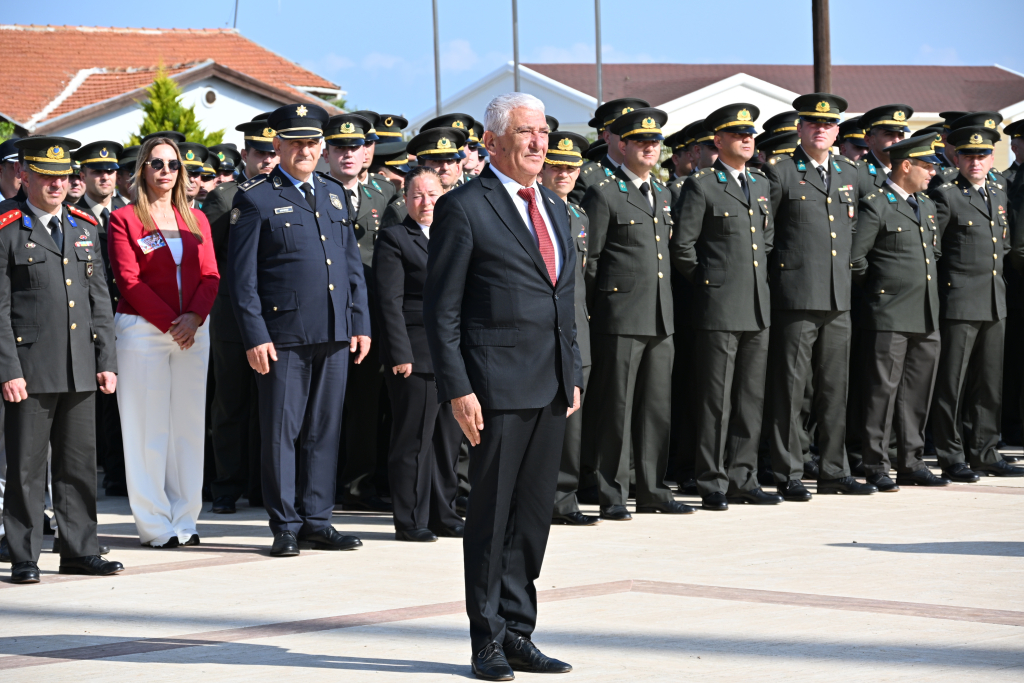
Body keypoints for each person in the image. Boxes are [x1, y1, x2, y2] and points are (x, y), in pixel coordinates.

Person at [424, 92, 579, 680]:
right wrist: (458, 389)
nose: (540, 142)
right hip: (492, 388)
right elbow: (443, 311)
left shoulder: (557, 207)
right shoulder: (465, 207)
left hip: (550, 385)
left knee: (534, 517)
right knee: (490, 518)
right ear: (494, 142)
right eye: (526, 132)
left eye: (543, 131)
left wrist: (574, 372)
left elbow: (565, 298)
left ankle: (519, 631)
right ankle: (485, 638)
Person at [227, 103, 369, 557]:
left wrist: (359, 321)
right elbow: (242, 279)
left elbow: (350, 266)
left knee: (324, 430)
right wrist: (255, 334)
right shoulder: (255, 197)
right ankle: (285, 523)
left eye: (312, 142)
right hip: (282, 335)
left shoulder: (331, 194)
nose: (305, 150)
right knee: (281, 432)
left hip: (333, 330)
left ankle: (317, 519)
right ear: (278, 145)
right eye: (296, 142)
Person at [0, 135, 122, 583]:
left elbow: (99, 302)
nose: (57, 184)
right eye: (47, 176)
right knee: (27, 468)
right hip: (29, 369)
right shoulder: (7, 227)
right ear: (25, 175)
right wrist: (7, 369)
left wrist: (106, 359)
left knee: (78, 464)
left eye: (63, 177)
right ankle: (24, 555)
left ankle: (79, 549)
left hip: (80, 365)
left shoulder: (84, 227)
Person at [762, 93, 877, 499]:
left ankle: (832, 469)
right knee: (791, 389)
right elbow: (765, 234)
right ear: (799, 128)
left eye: (828, 125)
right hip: (794, 296)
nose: (820, 129)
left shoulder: (850, 172)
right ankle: (788, 471)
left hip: (838, 298)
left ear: (838, 131)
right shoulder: (780, 172)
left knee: (833, 389)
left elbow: (875, 213)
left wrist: (855, 265)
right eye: (812, 123)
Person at [580, 107, 692, 520]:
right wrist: (592, 315)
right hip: (620, 316)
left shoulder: (662, 193)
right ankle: (612, 492)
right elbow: (590, 262)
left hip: (660, 317)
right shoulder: (604, 193)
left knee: (655, 409)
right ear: (621, 145)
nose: (651, 147)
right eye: (642, 142)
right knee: (617, 409)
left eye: (656, 142)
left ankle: (652, 490)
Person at [107, 137, 220, 547]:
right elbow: (128, 279)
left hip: (193, 332)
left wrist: (193, 318)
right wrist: (171, 323)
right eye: (156, 163)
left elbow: (211, 276)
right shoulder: (123, 218)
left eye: (173, 164)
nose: (166, 170)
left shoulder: (197, 219)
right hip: (143, 331)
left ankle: (185, 519)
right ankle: (155, 524)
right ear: (143, 169)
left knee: (188, 428)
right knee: (146, 429)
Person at [670, 104, 783, 511]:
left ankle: (742, 477)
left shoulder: (761, 183)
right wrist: (709, 284)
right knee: (715, 400)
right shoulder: (703, 185)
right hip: (718, 307)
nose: (747, 140)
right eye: (738, 134)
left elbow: (765, 242)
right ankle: (711, 480)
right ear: (718, 141)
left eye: (750, 134)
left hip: (756, 306)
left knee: (750, 398)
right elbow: (682, 246)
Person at [850, 135, 948, 491]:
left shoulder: (926, 205)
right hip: (889, 314)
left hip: (925, 314)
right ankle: (875, 463)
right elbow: (855, 259)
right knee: (881, 392)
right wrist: (881, 292)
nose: (933, 173)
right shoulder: (877, 205)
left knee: (916, 393)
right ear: (906, 165)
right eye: (927, 166)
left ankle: (911, 461)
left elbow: (931, 256)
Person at [373, 166, 464, 542]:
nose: (425, 202)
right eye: (417, 195)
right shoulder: (395, 238)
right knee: (414, 441)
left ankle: (444, 513)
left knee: (447, 442)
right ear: (405, 199)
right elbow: (389, 302)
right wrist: (399, 353)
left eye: (432, 194)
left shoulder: (455, 235)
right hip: (415, 353)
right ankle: (410, 519)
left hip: (452, 355)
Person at [929, 123, 1023, 478]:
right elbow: (933, 253)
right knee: (952, 385)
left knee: (988, 384)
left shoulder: (997, 194)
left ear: (991, 157)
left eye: (982, 155)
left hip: (993, 301)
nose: (976, 162)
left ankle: (985, 451)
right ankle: (951, 456)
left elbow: (1006, 245)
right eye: (969, 155)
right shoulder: (946, 195)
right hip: (959, 302)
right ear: (958, 157)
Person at [202, 118, 279, 514]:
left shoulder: (289, 194)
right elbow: (212, 262)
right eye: (259, 153)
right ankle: (227, 486)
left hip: (277, 316)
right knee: (231, 404)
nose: (267, 160)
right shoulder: (224, 197)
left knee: (271, 406)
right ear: (244, 155)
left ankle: (262, 487)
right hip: (233, 313)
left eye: (272, 152)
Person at [323, 113, 393, 513]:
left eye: (355, 147)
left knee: (367, 406)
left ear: (367, 151)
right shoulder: (313, 192)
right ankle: (322, 482)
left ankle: (359, 484)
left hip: (371, 319)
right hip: (328, 316)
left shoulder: (384, 195)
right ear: (326, 152)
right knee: (325, 407)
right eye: (339, 147)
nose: (347, 155)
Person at [540, 130, 598, 527]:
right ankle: (536, 498)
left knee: (572, 421)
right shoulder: (533, 209)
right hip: (540, 330)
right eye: (557, 166)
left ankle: (564, 497)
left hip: (576, 327)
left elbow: (587, 273)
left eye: (571, 167)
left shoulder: (578, 214)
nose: (564, 173)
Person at [73, 141, 130, 497]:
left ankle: (123, 470)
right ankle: (105, 472)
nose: (106, 176)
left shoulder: (131, 211)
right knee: (94, 403)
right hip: (86, 318)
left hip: (127, 315)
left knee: (124, 398)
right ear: (84, 175)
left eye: (111, 171)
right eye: (97, 171)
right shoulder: (72, 214)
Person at [381, 126, 468, 228]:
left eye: (450, 161)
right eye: (436, 161)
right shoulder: (401, 211)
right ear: (420, 168)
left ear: (458, 168)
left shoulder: (469, 200)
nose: (444, 167)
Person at [858, 105, 913, 192]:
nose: (896, 141)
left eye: (900, 135)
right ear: (870, 140)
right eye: (889, 134)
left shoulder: (910, 170)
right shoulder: (857, 173)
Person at [178, 142, 209, 208]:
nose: (191, 179)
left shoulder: (205, 210)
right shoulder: (164, 211)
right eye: (186, 174)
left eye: (196, 174)